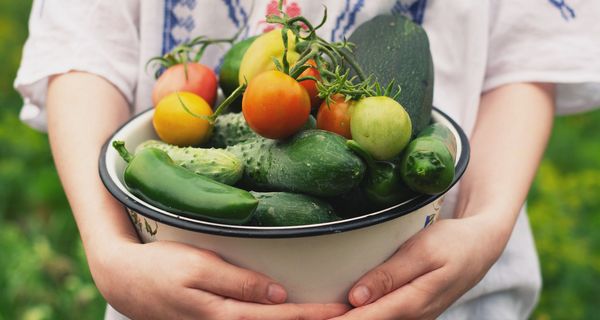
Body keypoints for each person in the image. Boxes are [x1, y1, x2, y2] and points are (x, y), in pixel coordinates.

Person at [14, 0, 600, 319]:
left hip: (441, 287)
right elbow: (83, 51)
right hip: (176, 297)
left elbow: (523, 61)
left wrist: (485, 224)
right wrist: (109, 249)